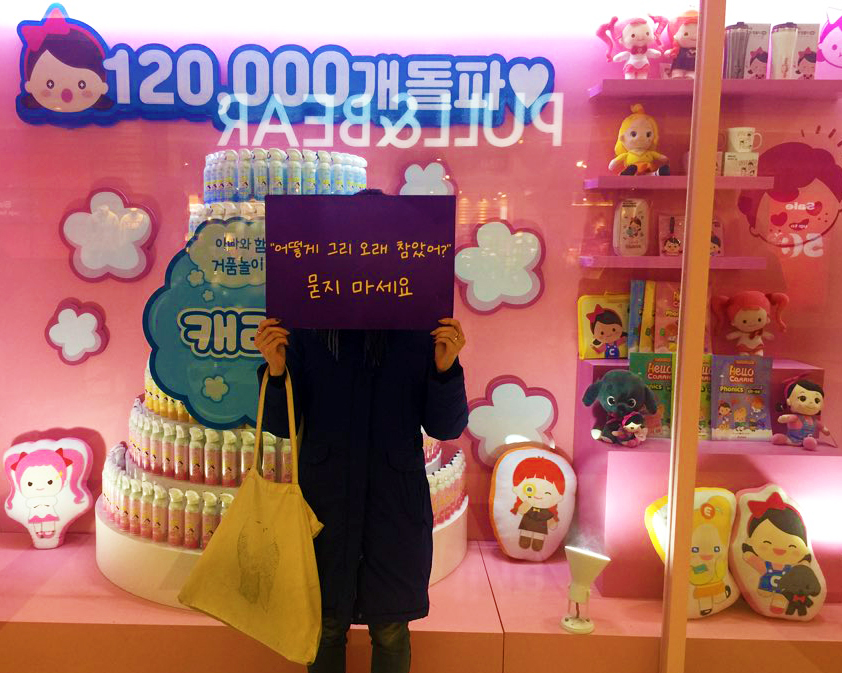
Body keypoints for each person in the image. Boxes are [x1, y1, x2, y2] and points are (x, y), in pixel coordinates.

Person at [254, 316, 468, 673]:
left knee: (390, 627)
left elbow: (446, 426)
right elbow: (280, 425)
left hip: (395, 505)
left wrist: (445, 368)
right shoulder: (308, 326)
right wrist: (276, 370)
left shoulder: (415, 329)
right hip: (325, 502)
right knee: (325, 624)